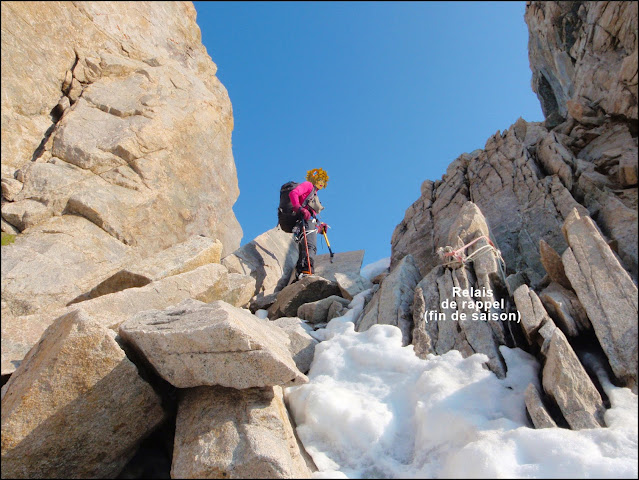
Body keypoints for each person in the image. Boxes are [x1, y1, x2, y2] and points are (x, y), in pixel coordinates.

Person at [289, 168, 328, 278]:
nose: (322, 182)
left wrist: (320, 228)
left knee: (306, 247)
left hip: (306, 222)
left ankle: (300, 272)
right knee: (310, 246)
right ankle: (306, 270)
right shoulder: (308, 185)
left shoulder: (314, 194)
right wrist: (299, 208)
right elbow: (293, 193)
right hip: (303, 221)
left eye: (324, 181)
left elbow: (311, 214)